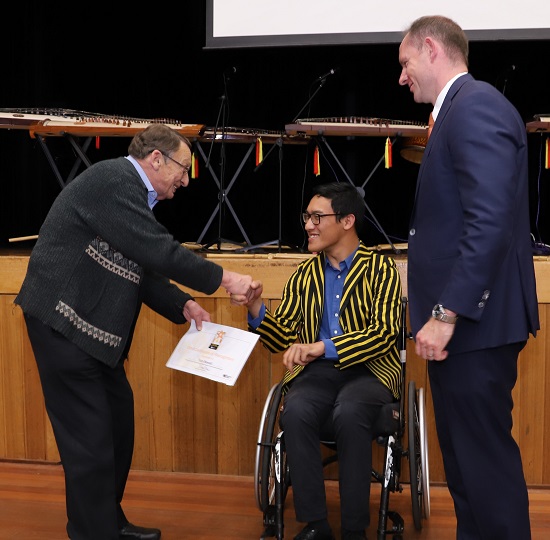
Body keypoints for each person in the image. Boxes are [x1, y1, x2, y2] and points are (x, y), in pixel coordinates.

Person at [14, 124, 254, 540]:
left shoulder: (130, 195)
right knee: (90, 443)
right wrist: (224, 279)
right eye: (182, 167)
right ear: (155, 159)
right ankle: (94, 532)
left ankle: (107, 520)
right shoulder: (113, 180)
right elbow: (159, 250)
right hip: (64, 324)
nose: (186, 178)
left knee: (118, 427)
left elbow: (141, 266)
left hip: (92, 335)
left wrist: (181, 303)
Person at [398, 15, 539, 540]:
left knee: (485, 470)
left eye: (405, 62)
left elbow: (489, 222)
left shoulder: (475, 106)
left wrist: (444, 312)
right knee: (465, 470)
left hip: (472, 325)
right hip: (463, 328)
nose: (401, 76)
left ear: (431, 49)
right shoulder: (456, 112)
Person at [231, 182, 402, 540]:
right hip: (320, 373)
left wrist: (321, 347)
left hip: (371, 370)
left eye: (316, 217)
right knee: (295, 410)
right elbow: (282, 339)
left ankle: (355, 529)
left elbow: (384, 333)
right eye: (306, 217)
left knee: (352, 411)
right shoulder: (305, 275)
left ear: (347, 220)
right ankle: (317, 525)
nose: (308, 224)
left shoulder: (381, 269)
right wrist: (255, 308)